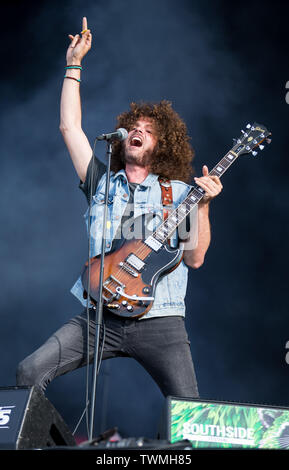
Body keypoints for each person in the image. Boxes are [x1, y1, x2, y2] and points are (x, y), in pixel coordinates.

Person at [16, 18, 223, 402]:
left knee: (189, 410)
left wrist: (204, 206)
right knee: (28, 370)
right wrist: (74, 64)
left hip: (160, 319)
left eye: (147, 128)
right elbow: (69, 127)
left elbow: (194, 259)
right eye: (133, 126)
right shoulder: (101, 182)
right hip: (99, 317)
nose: (137, 130)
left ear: (160, 145)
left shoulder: (177, 192)